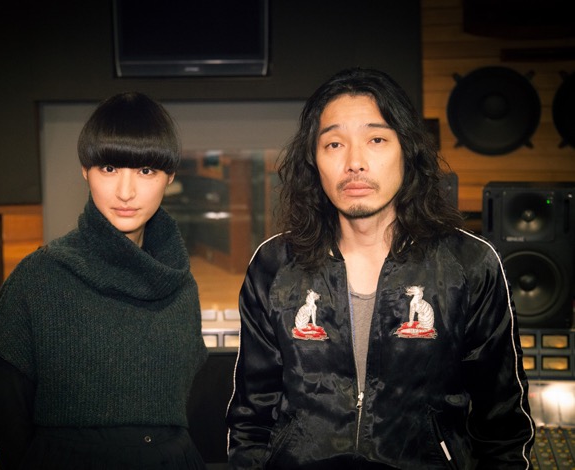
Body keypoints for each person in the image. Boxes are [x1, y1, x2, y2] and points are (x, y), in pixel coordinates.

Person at [226, 68, 535, 469]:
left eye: (376, 140)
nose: (355, 162)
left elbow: (503, 427)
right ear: (313, 161)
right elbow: (251, 419)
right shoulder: (274, 265)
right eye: (334, 144)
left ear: (406, 150)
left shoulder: (469, 264)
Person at [0, 92, 208, 469]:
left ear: (170, 177)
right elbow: (9, 426)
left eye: (146, 171)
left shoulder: (181, 285)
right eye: (110, 168)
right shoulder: (37, 279)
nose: (126, 192)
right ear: (85, 170)